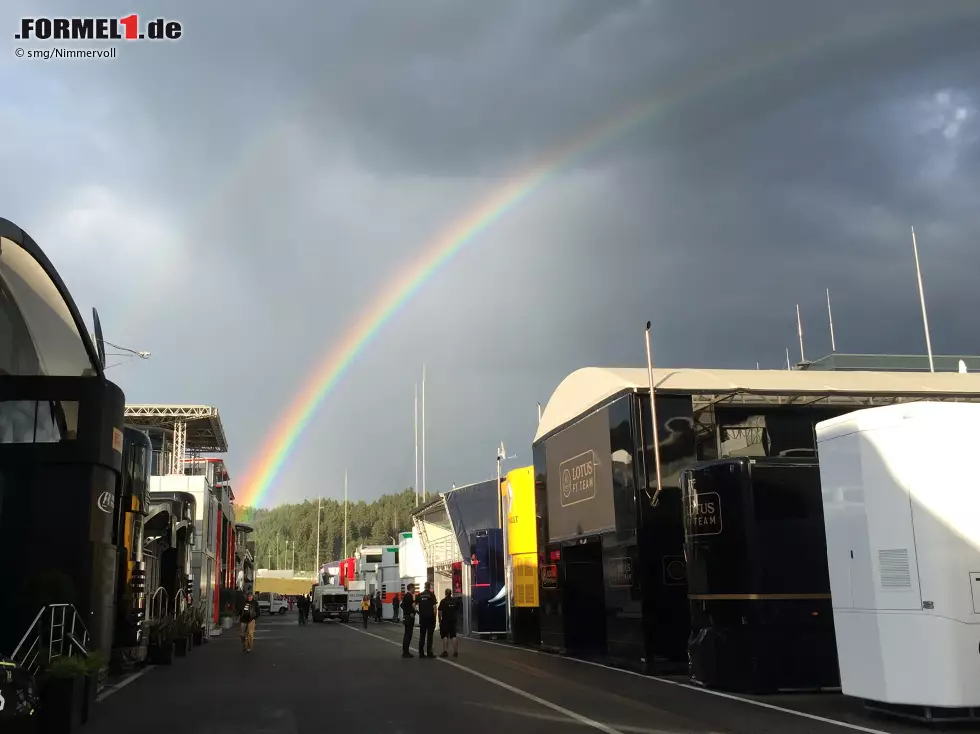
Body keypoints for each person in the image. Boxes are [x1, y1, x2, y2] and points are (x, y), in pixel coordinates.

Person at [416, 581, 437, 659]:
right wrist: (435, 618)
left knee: (422, 635)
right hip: (430, 618)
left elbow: (414, 605)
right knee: (430, 636)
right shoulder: (431, 595)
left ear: (424, 587)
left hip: (423, 618)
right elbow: (434, 608)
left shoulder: (419, 595)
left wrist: (418, 613)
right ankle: (429, 652)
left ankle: (421, 653)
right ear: (429, 587)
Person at [438, 588, 459, 658]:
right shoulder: (455, 601)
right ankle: (455, 652)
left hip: (445, 621)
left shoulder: (443, 601)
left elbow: (440, 612)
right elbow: (457, 610)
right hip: (453, 620)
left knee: (445, 636)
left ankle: (445, 651)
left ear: (445, 593)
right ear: (451, 593)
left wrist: (440, 621)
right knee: (453, 635)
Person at [400, 584, 416, 658]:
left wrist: (406, 611)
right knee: (408, 635)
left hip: (406, 617)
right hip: (409, 617)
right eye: (414, 588)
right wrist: (410, 612)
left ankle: (405, 651)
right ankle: (406, 652)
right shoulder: (409, 596)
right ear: (411, 588)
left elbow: (402, 605)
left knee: (406, 634)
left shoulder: (405, 596)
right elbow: (412, 606)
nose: (414, 590)